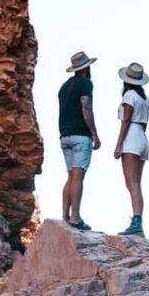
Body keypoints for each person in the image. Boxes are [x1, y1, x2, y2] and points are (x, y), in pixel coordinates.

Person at [59, 51, 101, 231]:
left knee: (70, 176)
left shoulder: (64, 86)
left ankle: (65, 216)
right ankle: (75, 218)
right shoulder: (86, 83)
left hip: (64, 135)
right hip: (80, 135)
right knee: (78, 175)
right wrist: (94, 133)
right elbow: (86, 106)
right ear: (86, 68)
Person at [114, 62, 149, 237]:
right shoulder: (145, 99)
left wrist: (119, 144)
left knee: (131, 183)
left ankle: (136, 223)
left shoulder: (129, 95)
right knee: (137, 183)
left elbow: (126, 120)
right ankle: (138, 220)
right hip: (142, 137)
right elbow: (145, 123)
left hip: (132, 138)